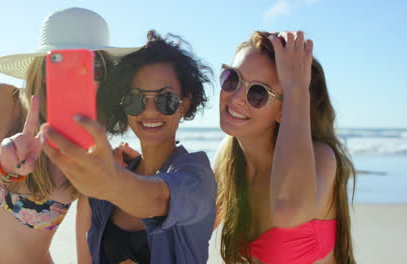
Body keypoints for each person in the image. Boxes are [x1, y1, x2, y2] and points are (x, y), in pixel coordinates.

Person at [0, 7, 137, 263]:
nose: (76, 72)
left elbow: (87, 253)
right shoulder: (1, 103)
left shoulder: (91, 148)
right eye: (62, 60)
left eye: (91, 63)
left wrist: (124, 180)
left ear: (105, 73)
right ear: (43, 64)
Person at [40, 31, 217, 264]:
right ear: (122, 105)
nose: (150, 110)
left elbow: (157, 199)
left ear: (184, 104)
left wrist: (110, 183)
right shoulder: (107, 181)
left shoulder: (196, 175)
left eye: (166, 99)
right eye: (136, 99)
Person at [213, 31, 356, 264]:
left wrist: (296, 87)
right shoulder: (228, 155)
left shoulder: (322, 157)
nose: (236, 97)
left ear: (286, 108)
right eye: (233, 78)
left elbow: (288, 210)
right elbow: (190, 223)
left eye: (258, 93)